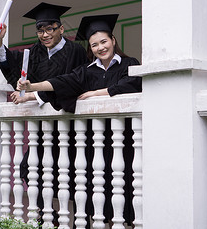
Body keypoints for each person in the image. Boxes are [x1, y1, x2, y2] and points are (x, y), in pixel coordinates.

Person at [17, 14, 142, 227]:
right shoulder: (87, 70)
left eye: (103, 42)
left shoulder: (130, 64)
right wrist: (32, 87)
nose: (100, 48)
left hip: (123, 141)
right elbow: (63, 82)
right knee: (96, 191)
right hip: (95, 142)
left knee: (122, 187)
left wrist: (96, 93)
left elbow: (131, 84)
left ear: (113, 40)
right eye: (94, 45)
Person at [0, 2, 89, 225]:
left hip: (70, 125)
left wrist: (31, 93)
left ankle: (75, 219)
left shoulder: (75, 51)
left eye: (49, 29)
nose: (44, 35)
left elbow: (73, 83)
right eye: (40, 30)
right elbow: (11, 64)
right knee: (28, 169)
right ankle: (50, 213)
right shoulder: (34, 52)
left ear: (61, 29)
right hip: (45, 129)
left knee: (72, 175)